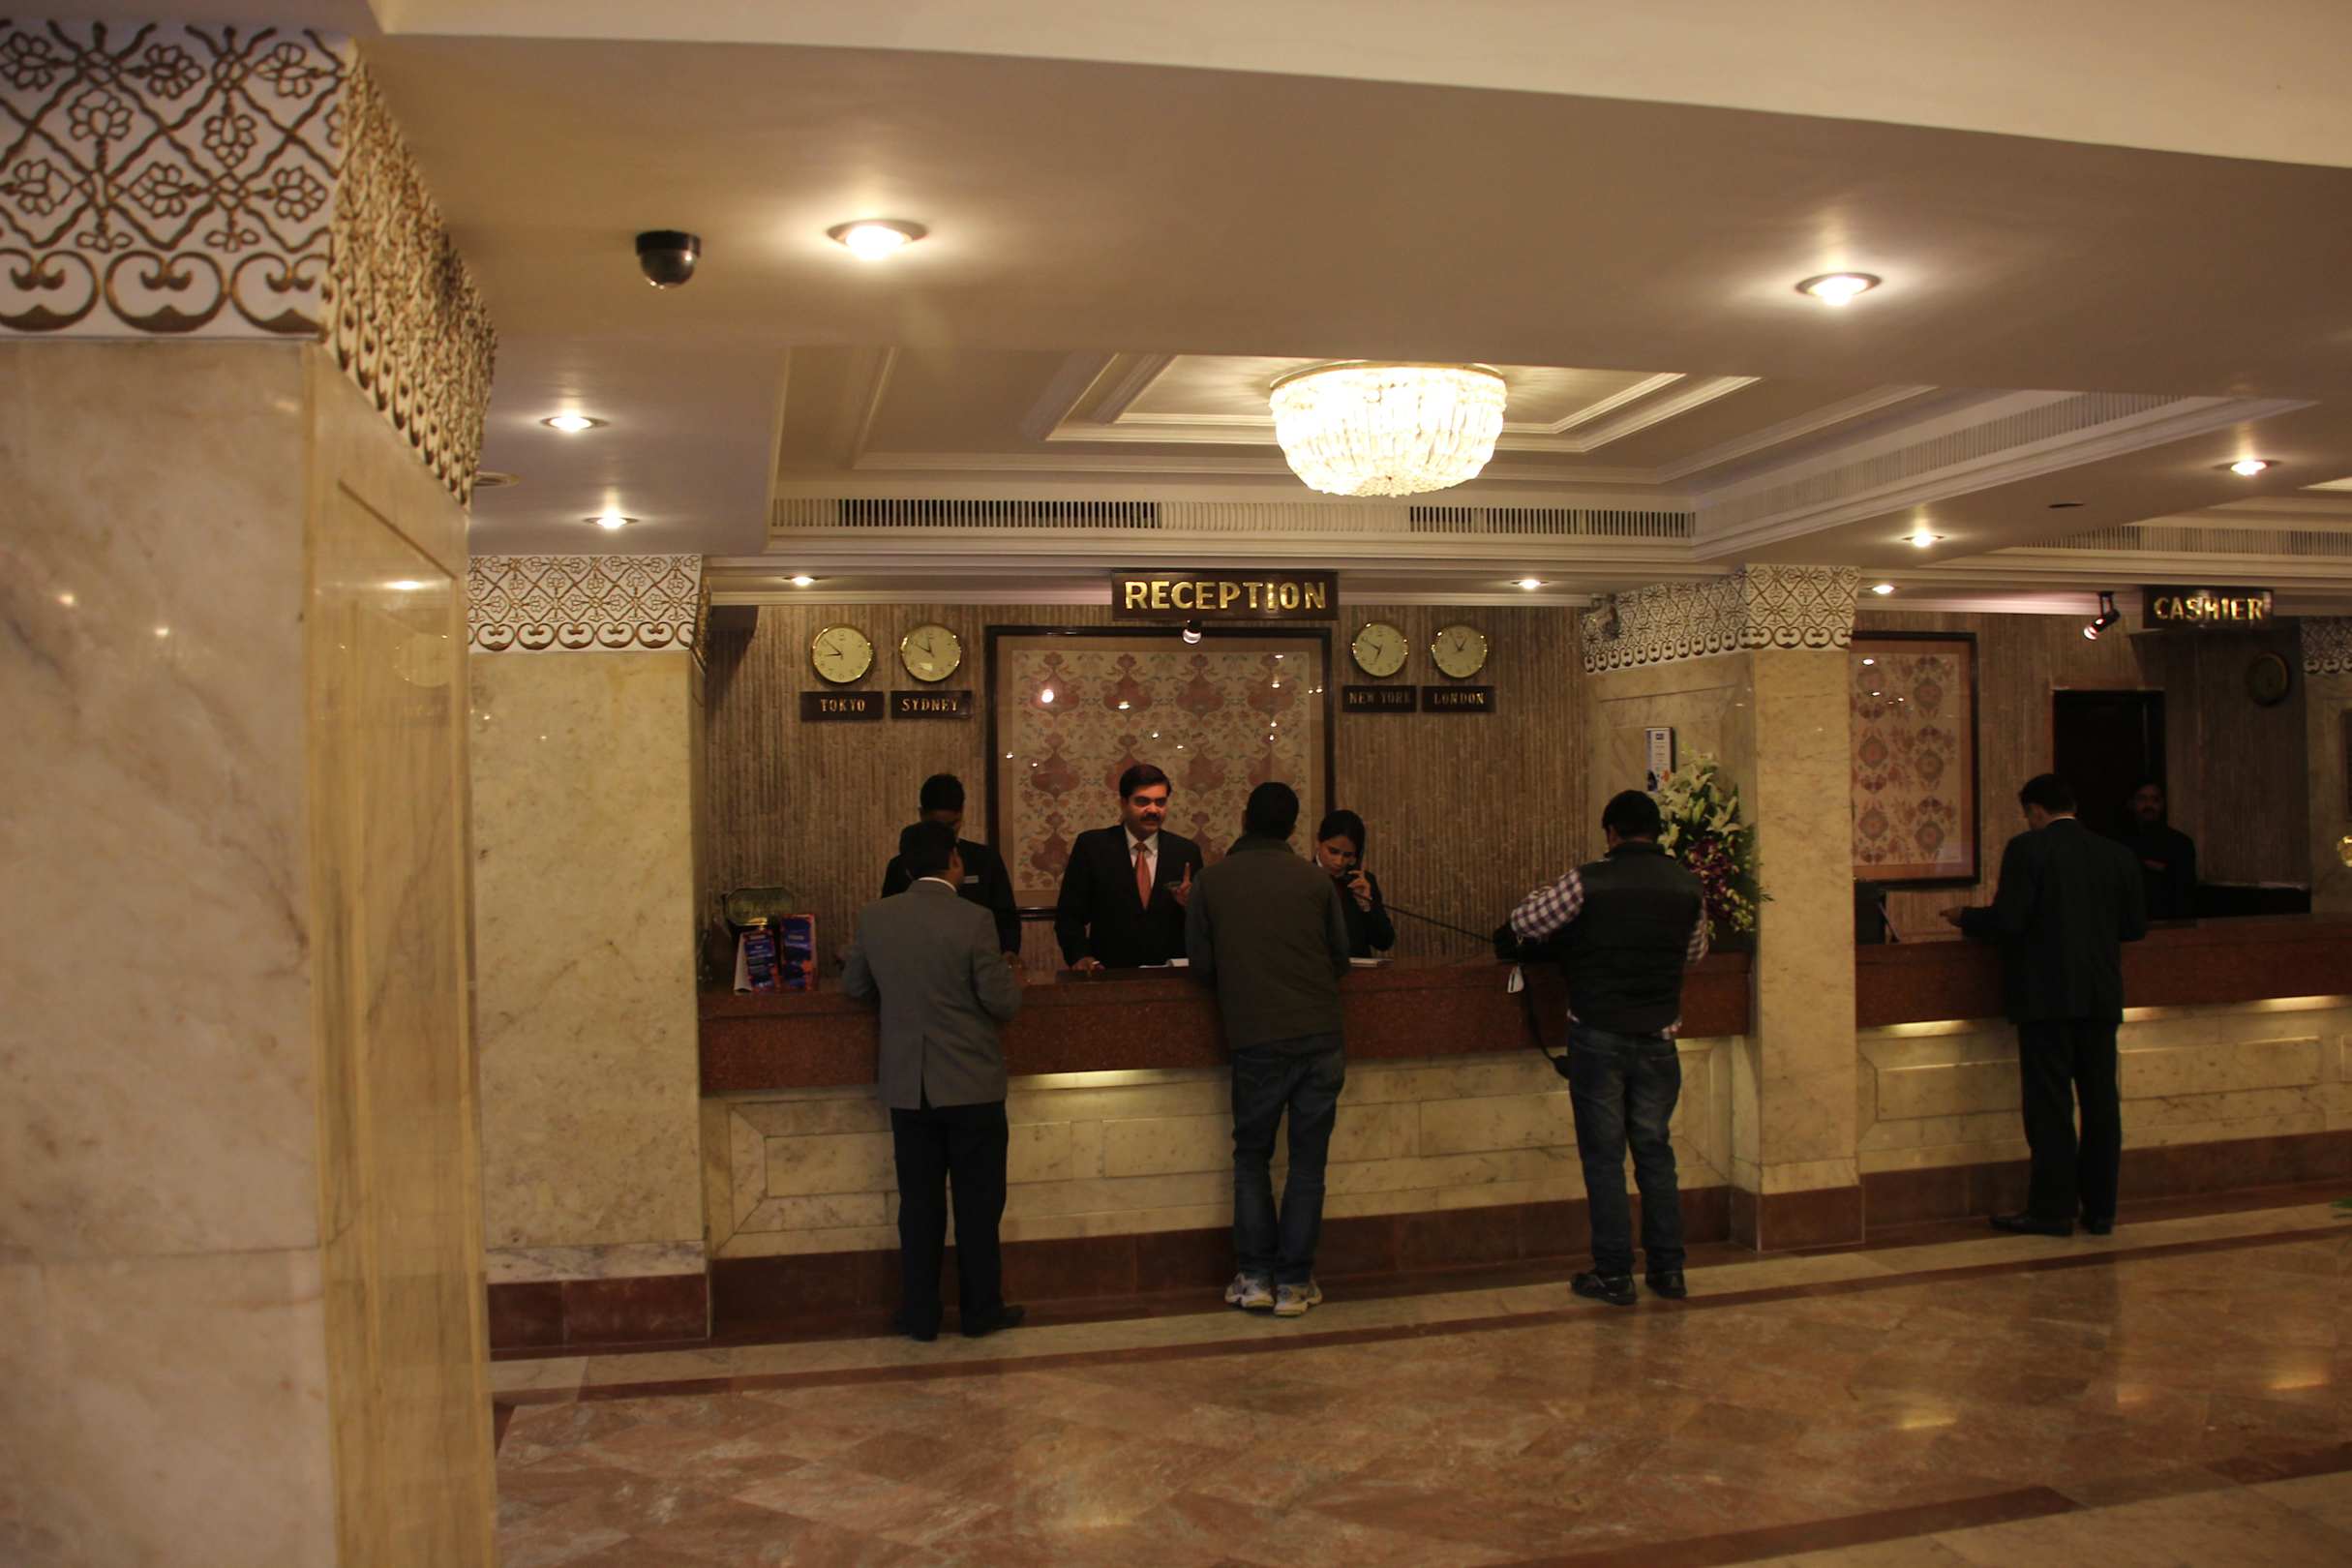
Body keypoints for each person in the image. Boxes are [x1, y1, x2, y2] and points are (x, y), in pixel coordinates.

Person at [1503, 789, 1708, 1308]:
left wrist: (1546, 892)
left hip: (1598, 1035)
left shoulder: (1588, 880)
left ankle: (1615, 1274)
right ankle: (1669, 1270)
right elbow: (1695, 952)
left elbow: (1524, 922)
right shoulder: (1687, 885)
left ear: (1611, 833)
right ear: (1656, 832)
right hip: (1659, 1038)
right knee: (1656, 1154)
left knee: (1604, 1159)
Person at [841, 821, 1027, 1342]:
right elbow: (1002, 1002)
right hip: (971, 1084)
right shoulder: (975, 919)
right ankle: (980, 1311)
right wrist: (1013, 979)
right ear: (955, 861)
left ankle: (920, 1315)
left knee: (919, 1206)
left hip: (909, 1085)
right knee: (978, 1205)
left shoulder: (876, 918)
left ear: (904, 867)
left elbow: (855, 986)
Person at [1942, 773, 2147, 1238]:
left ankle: (2053, 1209)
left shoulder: (2028, 849)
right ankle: (2101, 1210)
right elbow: (2134, 927)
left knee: (2050, 1105)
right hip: (2100, 996)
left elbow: (2010, 920)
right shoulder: (2116, 854)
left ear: (2035, 810)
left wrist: (1966, 917)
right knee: (2100, 1102)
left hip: (2045, 997)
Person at [1186, 782, 1353, 1318]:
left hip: (1255, 1035)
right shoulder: (1316, 881)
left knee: (1252, 1157)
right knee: (1307, 1164)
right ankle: (1295, 1283)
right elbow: (1341, 959)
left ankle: (1256, 1277)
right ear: (1294, 827)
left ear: (1244, 819)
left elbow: (1201, 967)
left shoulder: (1211, 882)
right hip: (1321, 1035)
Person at [1053, 763, 1205, 971]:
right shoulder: (1093, 847)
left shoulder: (1185, 852)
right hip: (1109, 972)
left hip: (1171, 973)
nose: (1153, 810)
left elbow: (1203, 923)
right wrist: (1080, 956)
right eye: (1143, 802)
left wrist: (1190, 905)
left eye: (1160, 802)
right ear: (1124, 803)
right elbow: (1069, 915)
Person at [881, 772, 1022, 955]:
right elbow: (891, 925)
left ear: (962, 813)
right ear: (922, 815)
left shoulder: (985, 859)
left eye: (951, 825)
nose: (945, 835)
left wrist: (1008, 954)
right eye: (937, 826)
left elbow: (1007, 920)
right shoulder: (901, 865)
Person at [1312, 809, 1396, 958]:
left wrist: (1366, 906)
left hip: (1357, 969)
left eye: (1347, 855)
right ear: (1318, 841)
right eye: (1333, 851)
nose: (1339, 861)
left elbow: (1384, 942)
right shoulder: (1301, 878)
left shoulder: (1364, 881)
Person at [2115, 778, 2197, 921]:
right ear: (2131, 803)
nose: (2148, 805)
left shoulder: (2180, 843)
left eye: (2155, 800)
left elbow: (2185, 887)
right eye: (2142, 799)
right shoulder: (2119, 843)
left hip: (2171, 922)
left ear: (2162, 804)